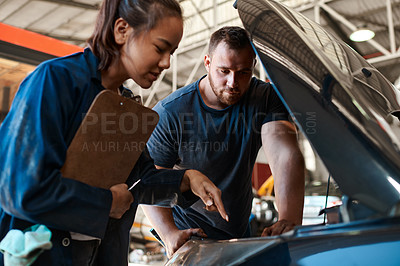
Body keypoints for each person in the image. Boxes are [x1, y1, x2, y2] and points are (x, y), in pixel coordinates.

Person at [0, 0, 228, 265]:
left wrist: (186, 180)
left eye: (172, 53)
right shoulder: (54, 82)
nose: (166, 63)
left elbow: (137, 181)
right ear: (122, 30)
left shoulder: (127, 104)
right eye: (160, 48)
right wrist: (105, 203)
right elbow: (21, 191)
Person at [143, 26, 305, 257]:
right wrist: (168, 233)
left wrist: (288, 219)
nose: (233, 82)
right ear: (207, 62)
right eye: (224, 71)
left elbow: (284, 154)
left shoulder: (265, 98)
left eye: (243, 72)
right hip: (190, 232)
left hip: (239, 229)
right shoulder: (171, 113)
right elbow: (150, 178)